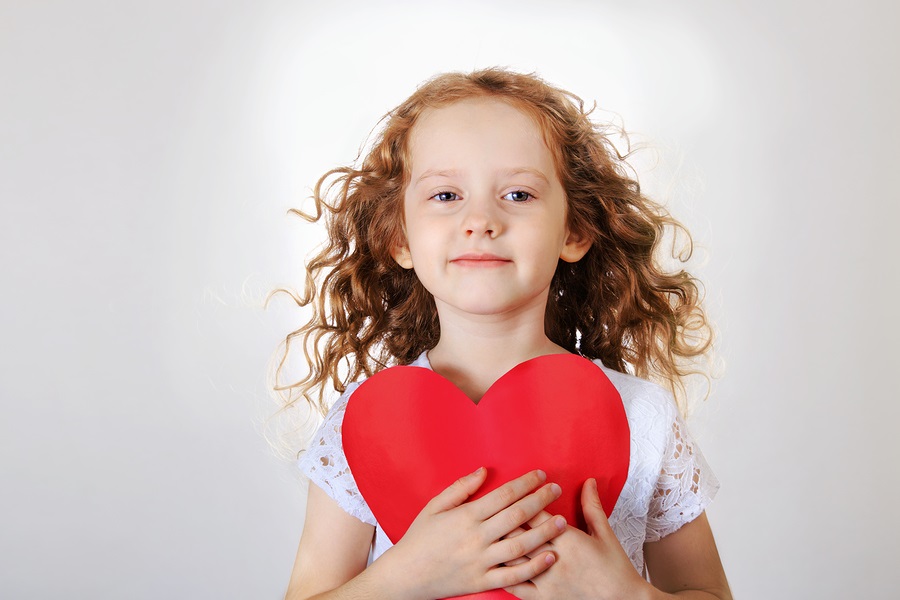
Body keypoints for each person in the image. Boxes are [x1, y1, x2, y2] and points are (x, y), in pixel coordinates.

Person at [276, 68, 732, 599]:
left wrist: (625, 596)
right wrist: (406, 576)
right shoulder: (364, 423)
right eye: (446, 195)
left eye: (518, 194)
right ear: (398, 237)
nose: (480, 220)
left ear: (574, 230)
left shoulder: (642, 418)